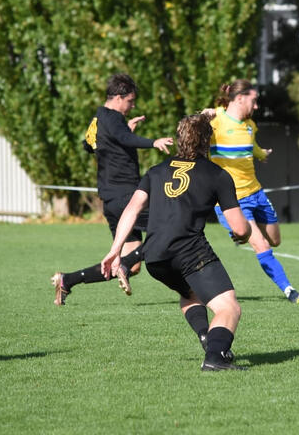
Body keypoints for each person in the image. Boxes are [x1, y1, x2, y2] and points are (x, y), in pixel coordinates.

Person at [101, 114, 251, 371]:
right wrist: (245, 233)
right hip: (191, 252)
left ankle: (208, 339)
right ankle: (215, 357)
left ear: (180, 139)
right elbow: (238, 227)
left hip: (155, 257)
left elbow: (132, 209)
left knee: (189, 293)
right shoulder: (218, 175)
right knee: (229, 308)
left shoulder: (156, 172)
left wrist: (116, 250)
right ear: (207, 141)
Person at [51, 74, 173, 305]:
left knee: (133, 263)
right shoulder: (113, 117)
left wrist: (122, 132)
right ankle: (124, 265)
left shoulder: (98, 118)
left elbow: (88, 145)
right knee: (166, 227)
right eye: (130, 100)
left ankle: (67, 280)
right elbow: (124, 139)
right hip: (126, 196)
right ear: (118, 97)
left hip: (110, 200)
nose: (132, 105)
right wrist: (152, 142)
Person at [207, 79, 299, 303]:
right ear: (240, 98)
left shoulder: (250, 124)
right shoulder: (215, 121)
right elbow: (190, 133)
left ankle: (238, 232)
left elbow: (252, 146)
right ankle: (289, 290)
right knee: (260, 244)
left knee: (275, 240)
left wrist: (262, 155)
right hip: (231, 200)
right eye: (254, 101)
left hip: (257, 193)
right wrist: (202, 116)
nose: (257, 106)